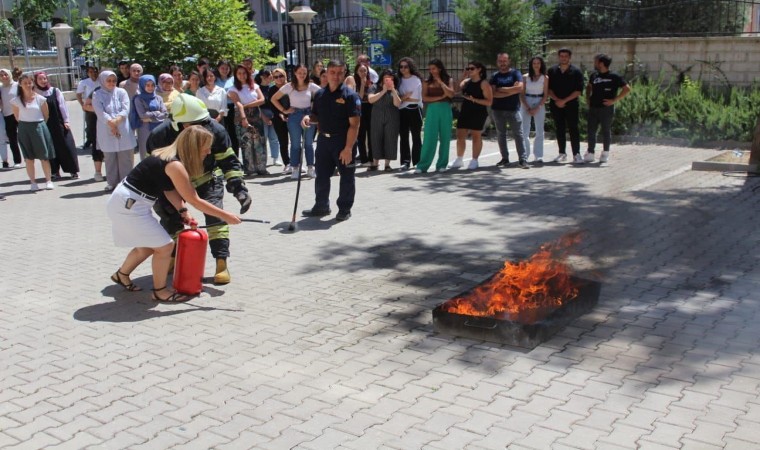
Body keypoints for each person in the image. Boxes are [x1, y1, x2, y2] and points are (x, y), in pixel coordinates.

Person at [107, 125, 242, 302]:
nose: (209, 152)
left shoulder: (167, 155)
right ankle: (160, 291)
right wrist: (225, 216)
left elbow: (169, 189)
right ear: (193, 148)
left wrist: (183, 211)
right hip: (130, 207)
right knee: (165, 246)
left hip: (127, 203)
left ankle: (121, 275)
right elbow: (195, 200)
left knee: (147, 245)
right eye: (206, 147)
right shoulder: (175, 165)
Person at [147, 93, 251, 285]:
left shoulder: (216, 130)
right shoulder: (159, 136)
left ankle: (221, 262)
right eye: (196, 124)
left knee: (216, 217)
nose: (203, 127)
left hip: (207, 178)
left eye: (204, 122)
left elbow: (229, 162)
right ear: (180, 125)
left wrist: (239, 189)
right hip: (172, 183)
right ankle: (172, 257)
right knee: (171, 218)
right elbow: (156, 172)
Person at [301, 59, 360, 222]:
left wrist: (348, 148)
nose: (336, 76)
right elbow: (316, 116)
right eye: (333, 72)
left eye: (340, 72)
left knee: (346, 176)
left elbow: (355, 125)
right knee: (321, 175)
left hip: (343, 141)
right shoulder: (320, 94)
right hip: (323, 142)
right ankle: (321, 206)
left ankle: (344, 208)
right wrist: (308, 118)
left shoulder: (350, 96)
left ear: (345, 73)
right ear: (326, 73)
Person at [271, 63, 319, 179]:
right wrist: (284, 110)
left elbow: (324, 95)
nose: (302, 75)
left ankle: (310, 167)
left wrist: (316, 111)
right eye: (299, 73)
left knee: (308, 143)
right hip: (294, 115)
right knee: (295, 144)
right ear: (295, 73)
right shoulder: (289, 86)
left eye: (304, 73)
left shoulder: (311, 86)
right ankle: (295, 168)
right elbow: (273, 99)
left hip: (308, 115)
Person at [92, 70, 137, 191]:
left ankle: (126, 183)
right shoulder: (97, 94)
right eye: (109, 81)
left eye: (114, 81)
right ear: (103, 81)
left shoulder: (121, 92)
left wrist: (117, 121)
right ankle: (112, 182)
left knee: (125, 157)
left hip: (122, 126)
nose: (112, 83)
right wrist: (111, 124)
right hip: (106, 127)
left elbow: (126, 108)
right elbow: (99, 111)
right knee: (110, 157)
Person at [10, 73, 56, 190]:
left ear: (33, 83)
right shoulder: (15, 101)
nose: (27, 85)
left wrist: (39, 125)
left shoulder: (40, 99)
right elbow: (17, 116)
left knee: (44, 156)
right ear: (20, 85)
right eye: (24, 83)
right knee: (28, 158)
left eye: (29, 82)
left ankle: (48, 180)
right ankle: (33, 182)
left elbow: (46, 115)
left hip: (39, 127)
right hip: (24, 128)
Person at [584, 53, 631, 164]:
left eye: (595, 61)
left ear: (601, 63)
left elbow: (627, 88)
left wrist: (614, 100)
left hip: (606, 108)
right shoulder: (594, 75)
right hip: (593, 107)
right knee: (591, 130)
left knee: (605, 131)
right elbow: (589, 86)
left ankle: (605, 153)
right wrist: (587, 98)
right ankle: (590, 153)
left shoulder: (614, 76)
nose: (594, 63)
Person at [34, 71, 79, 180]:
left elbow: (62, 107)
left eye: (44, 78)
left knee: (66, 146)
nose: (43, 81)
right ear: (36, 81)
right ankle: (54, 171)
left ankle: (73, 170)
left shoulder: (55, 91)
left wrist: (66, 121)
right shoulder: (35, 93)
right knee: (50, 148)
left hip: (58, 123)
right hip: (44, 125)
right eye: (40, 79)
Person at [451, 61, 492, 170]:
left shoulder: (484, 83)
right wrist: (462, 77)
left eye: (472, 68)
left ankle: (474, 160)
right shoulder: (466, 82)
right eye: (467, 68)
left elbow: (489, 102)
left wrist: (475, 100)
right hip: (465, 110)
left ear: (479, 70)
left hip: (478, 111)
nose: (469, 70)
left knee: (476, 135)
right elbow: (455, 91)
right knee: (460, 135)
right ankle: (459, 159)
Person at [416, 59, 454, 173]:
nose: (431, 71)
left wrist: (441, 82)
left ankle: (442, 164)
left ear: (439, 68)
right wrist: (440, 97)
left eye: (433, 68)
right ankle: (422, 165)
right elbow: (425, 98)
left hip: (445, 110)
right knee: (429, 137)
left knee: (445, 137)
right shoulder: (426, 81)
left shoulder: (448, 80)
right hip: (432, 110)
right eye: (430, 69)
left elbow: (451, 94)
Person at [490, 53, 529, 169]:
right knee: (501, 135)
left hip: (513, 109)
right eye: (500, 61)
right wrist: (512, 90)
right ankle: (505, 158)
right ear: (497, 62)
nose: (502, 63)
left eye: (504, 61)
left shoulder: (515, 73)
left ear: (509, 61)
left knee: (519, 134)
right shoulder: (495, 76)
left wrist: (502, 89)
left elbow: (520, 88)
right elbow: (493, 93)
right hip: (497, 110)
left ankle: (523, 160)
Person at [228, 64, 268, 176]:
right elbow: (238, 104)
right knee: (246, 143)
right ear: (235, 75)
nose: (242, 75)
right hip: (241, 115)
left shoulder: (254, 86)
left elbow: (262, 100)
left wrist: (247, 106)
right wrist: (244, 118)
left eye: (244, 73)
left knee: (259, 141)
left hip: (256, 115)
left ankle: (261, 167)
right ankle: (250, 169)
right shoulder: (233, 89)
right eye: (239, 73)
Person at [548, 48, 584, 164]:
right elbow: (548, 89)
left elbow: (578, 90)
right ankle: (562, 153)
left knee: (573, 128)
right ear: (559, 57)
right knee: (559, 128)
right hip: (556, 105)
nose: (563, 58)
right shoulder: (552, 71)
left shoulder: (576, 71)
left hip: (572, 105)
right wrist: (557, 100)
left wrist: (564, 101)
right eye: (561, 56)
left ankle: (576, 154)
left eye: (566, 56)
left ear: (570, 57)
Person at [368, 69, 401, 171]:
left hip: (392, 116)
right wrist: (383, 91)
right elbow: (371, 99)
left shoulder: (395, 89)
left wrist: (393, 91)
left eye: (391, 77)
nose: (388, 78)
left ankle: (387, 164)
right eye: (386, 76)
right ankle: (375, 163)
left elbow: (397, 104)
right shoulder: (374, 87)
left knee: (390, 138)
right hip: (377, 115)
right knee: (376, 138)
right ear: (382, 77)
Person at [130, 75, 167, 160]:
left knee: (160, 150)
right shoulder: (138, 99)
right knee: (146, 151)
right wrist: (157, 113)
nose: (150, 88)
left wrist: (151, 118)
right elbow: (142, 115)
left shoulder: (158, 98)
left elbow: (165, 113)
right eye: (148, 85)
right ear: (142, 85)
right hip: (145, 129)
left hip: (159, 128)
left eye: (152, 85)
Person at [520, 56, 549, 165]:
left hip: (539, 101)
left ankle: (538, 155)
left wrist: (538, 107)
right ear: (531, 65)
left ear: (541, 64)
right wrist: (527, 107)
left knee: (539, 130)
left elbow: (546, 95)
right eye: (534, 63)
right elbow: (521, 94)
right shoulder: (525, 77)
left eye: (538, 63)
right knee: (524, 130)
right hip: (526, 101)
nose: (536, 65)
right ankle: (525, 155)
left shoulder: (545, 78)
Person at [397, 57, 424, 170]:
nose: (403, 69)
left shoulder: (416, 79)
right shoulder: (398, 80)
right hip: (402, 110)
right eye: (401, 67)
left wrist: (403, 98)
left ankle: (418, 161)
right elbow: (398, 98)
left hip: (414, 109)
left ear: (410, 67)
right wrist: (405, 97)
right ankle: (405, 162)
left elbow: (415, 98)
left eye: (406, 66)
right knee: (403, 136)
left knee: (416, 136)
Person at [347, 63, 375, 165]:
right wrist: (362, 85)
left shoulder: (371, 83)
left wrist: (366, 84)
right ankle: (364, 159)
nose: (363, 73)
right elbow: (359, 97)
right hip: (359, 109)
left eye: (365, 71)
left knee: (371, 134)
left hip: (370, 108)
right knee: (361, 135)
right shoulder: (353, 83)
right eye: (361, 71)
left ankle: (372, 158)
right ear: (357, 72)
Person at [257, 69, 281, 166]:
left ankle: (275, 158)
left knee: (274, 137)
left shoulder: (272, 88)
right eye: (269, 75)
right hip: (262, 114)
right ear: (262, 77)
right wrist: (263, 117)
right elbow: (257, 105)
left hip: (273, 114)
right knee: (263, 138)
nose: (271, 77)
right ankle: (263, 159)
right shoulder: (257, 88)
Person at [215, 60, 238, 155]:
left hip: (231, 107)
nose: (224, 70)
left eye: (227, 68)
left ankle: (235, 155)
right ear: (218, 69)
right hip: (219, 108)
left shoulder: (233, 79)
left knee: (233, 133)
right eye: (222, 68)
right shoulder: (215, 79)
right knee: (222, 132)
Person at [269, 68, 291, 171]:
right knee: (283, 141)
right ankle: (287, 163)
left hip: (292, 116)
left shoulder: (291, 86)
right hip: (279, 118)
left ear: (285, 75)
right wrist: (280, 114)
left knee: (296, 142)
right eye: (276, 77)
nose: (279, 79)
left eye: (281, 76)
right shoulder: (272, 89)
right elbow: (271, 105)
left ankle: (296, 163)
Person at [1, 69, 22, 168]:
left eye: (5, 74)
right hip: (7, 116)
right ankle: (17, 160)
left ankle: (29, 158)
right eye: (1, 75)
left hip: (20, 115)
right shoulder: (1, 88)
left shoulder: (17, 85)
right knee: (13, 140)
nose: (4, 77)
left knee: (24, 138)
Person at [76, 65, 99, 151]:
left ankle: (98, 140)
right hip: (89, 106)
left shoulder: (101, 81)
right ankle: (89, 139)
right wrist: (82, 104)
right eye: (91, 72)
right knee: (90, 125)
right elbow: (78, 94)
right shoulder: (84, 82)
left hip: (100, 106)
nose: (93, 74)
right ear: (88, 73)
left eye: (95, 71)